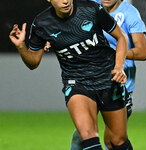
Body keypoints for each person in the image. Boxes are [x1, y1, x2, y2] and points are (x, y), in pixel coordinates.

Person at [9, 0, 133, 150]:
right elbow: (33, 62)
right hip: (76, 83)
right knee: (88, 135)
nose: (66, 1)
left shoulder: (91, 9)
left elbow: (122, 37)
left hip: (108, 78)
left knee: (117, 141)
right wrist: (22, 47)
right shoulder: (42, 23)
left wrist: (119, 67)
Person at [70, 0, 146, 149]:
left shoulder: (130, 14)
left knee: (112, 141)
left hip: (117, 84)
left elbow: (142, 52)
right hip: (90, 81)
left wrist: (113, 55)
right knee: (81, 135)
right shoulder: (90, 6)